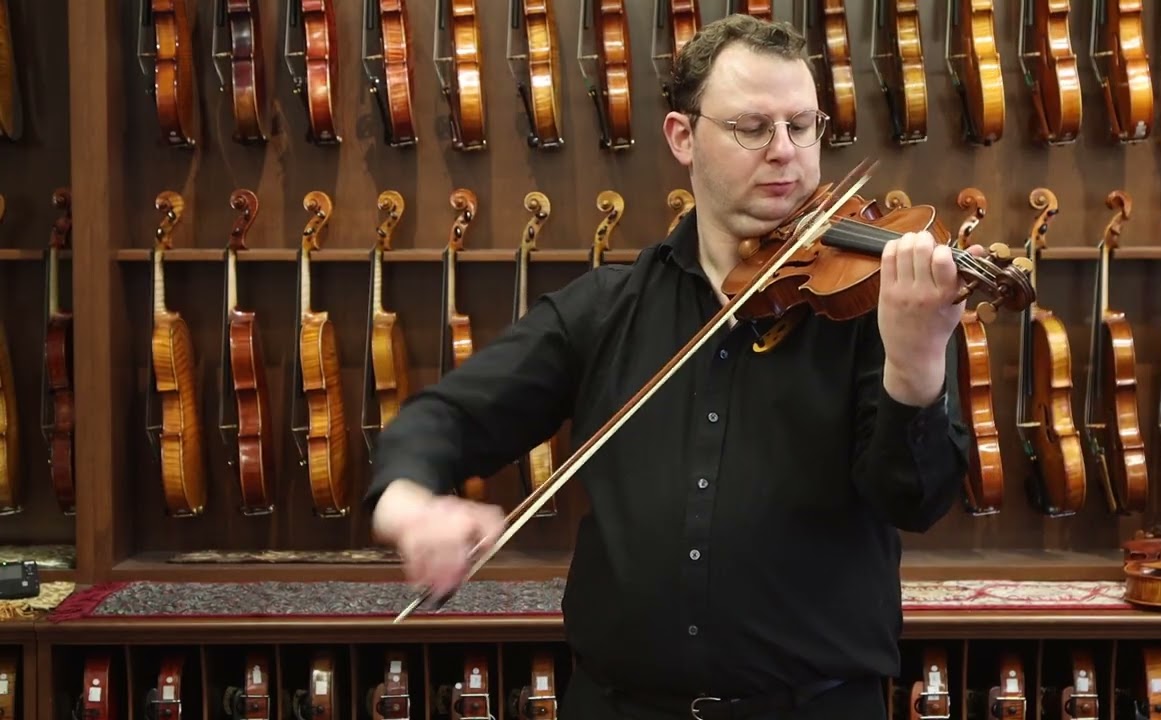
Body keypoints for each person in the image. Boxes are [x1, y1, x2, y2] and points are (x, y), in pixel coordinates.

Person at [367, 13, 972, 720]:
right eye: (753, 128)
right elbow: (446, 417)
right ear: (683, 138)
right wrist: (409, 504)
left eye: (802, 126)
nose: (785, 152)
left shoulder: (874, 303)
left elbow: (915, 502)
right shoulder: (606, 308)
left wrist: (918, 357)